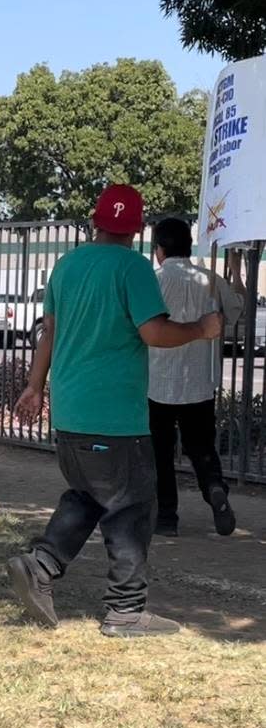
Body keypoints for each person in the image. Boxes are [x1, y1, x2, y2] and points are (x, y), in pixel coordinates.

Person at [11, 185, 222, 638]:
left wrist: (33, 387)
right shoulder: (133, 268)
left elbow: (48, 333)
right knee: (133, 507)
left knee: (88, 495)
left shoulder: (66, 267)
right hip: (115, 417)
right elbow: (154, 333)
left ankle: (40, 565)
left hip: (69, 415)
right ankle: (126, 612)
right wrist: (202, 329)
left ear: (95, 220)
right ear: (137, 230)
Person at [148, 217, 243, 537]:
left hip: (157, 382)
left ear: (159, 249)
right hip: (200, 382)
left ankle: (166, 516)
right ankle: (214, 488)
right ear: (188, 246)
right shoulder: (211, 280)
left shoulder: (154, 281)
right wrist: (236, 271)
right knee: (201, 447)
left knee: (160, 451)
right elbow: (237, 312)